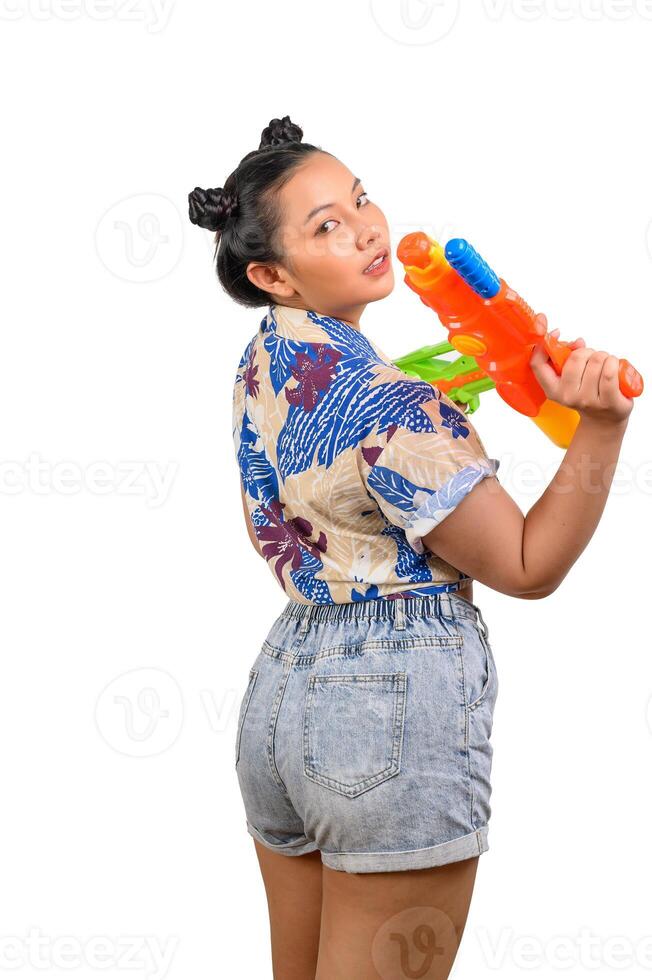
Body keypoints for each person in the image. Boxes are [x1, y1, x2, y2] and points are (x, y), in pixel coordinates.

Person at [188, 115, 634, 980]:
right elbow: (527, 565)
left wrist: (437, 400)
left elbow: (284, 514)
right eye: (326, 225)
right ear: (270, 273)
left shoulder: (265, 363)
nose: (366, 227)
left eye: (360, 200)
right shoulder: (398, 408)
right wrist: (601, 429)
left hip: (284, 693)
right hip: (388, 715)